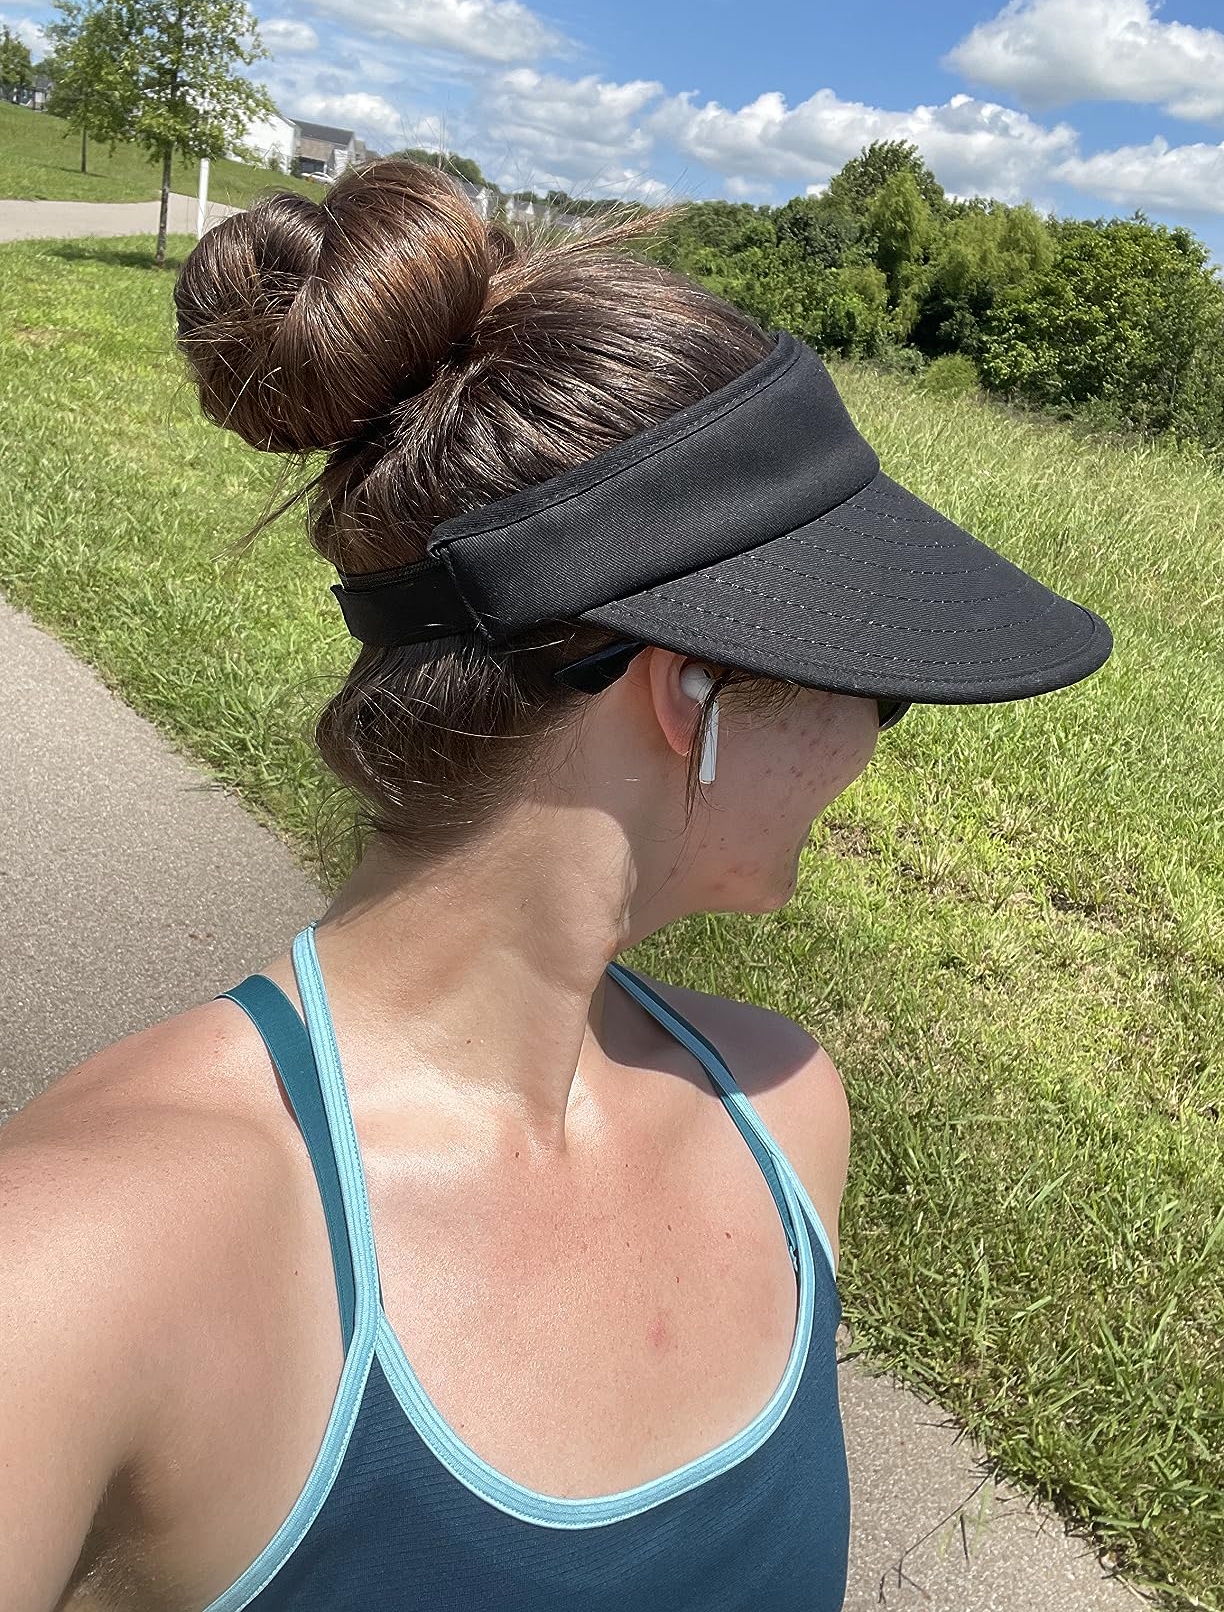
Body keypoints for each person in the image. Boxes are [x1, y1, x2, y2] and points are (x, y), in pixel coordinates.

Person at [0, 160, 1112, 1612]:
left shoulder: (786, 1117)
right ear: (688, 694)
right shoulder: (85, 1266)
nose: (867, 746)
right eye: (873, 689)